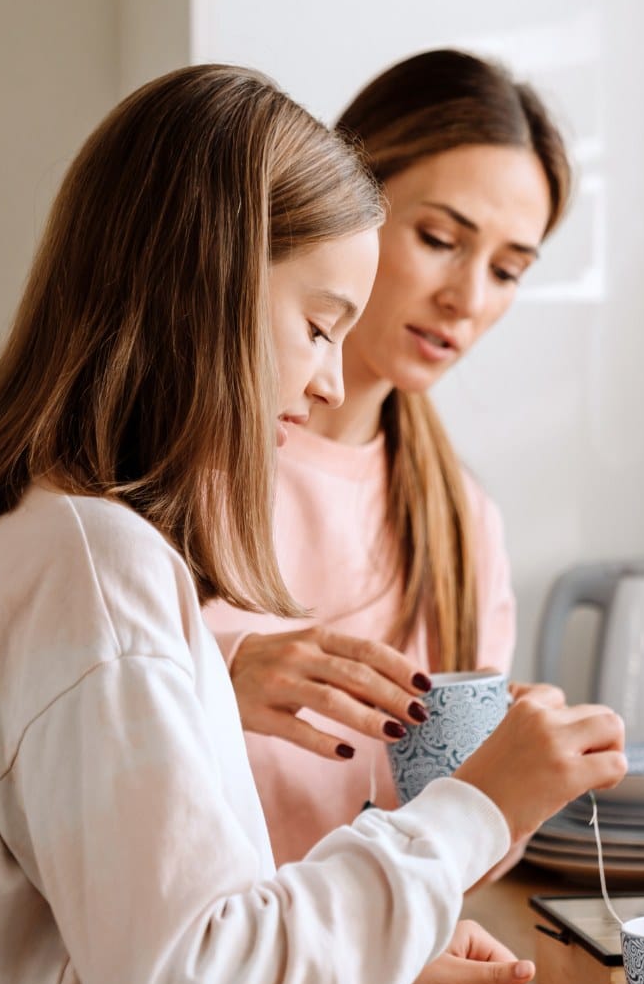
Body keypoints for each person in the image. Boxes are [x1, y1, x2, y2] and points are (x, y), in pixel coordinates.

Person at [0, 63, 626, 984]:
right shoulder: (110, 556)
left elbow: (179, 918)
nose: (325, 381)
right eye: (318, 323)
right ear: (209, 286)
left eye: (512, 268)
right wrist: (474, 810)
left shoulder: (79, 541)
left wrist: (402, 922)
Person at [204, 48, 573, 864]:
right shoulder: (189, 463)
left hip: (373, 970)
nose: (469, 299)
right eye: (441, 238)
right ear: (350, 204)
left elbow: (458, 851)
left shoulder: (462, 523)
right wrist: (213, 678)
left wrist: (516, 781)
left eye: (509, 270)